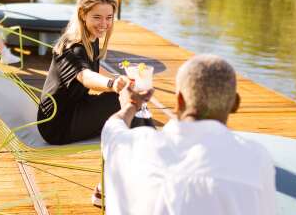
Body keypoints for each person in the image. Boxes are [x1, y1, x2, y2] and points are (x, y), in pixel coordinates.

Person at [101, 54, 276, 215]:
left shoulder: (136, 147)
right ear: (235, 104)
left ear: (179, 101)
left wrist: (130, 105)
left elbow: (112, 128)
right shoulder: (257, 159)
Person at [37, 0, 132, 145]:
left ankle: (133, 140)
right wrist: (113, 84)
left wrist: (119, 80)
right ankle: (137, 148)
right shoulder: (73, 47)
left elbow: (93, 69)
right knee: (126, 102)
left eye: (109, 17)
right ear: (83, 14)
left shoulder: (91, 38)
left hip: (75, 108)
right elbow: (85, 76)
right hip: (57, 124)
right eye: (97, 17)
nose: (104, 23)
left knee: (127, 97)